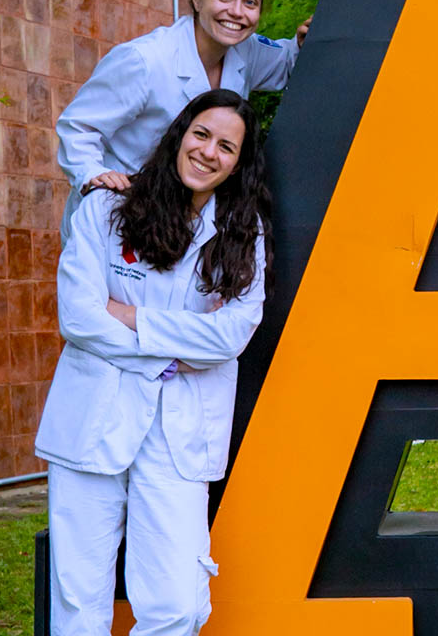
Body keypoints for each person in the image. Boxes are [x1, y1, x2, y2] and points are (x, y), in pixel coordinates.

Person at [36, 89, 271, 635]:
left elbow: (231, 335)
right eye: (201, 134)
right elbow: (79, 316)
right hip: (92, 419)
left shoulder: (242, 234)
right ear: (178, 136)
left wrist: (132, 318)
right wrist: (174, 355)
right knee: (79, 604)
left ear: (239, 163)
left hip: (178, 436)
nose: (209, 152)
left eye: (227, 147)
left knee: (178, 607)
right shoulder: (106, 208)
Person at [56, 0, 310, 241]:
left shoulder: (246, 50)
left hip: (181, 226)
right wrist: (92, 175)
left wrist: (306, 41)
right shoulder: (143, 61)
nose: (237, 12)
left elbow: (287, 63)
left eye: (250, 2)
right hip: (117, 219)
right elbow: (78, 126)